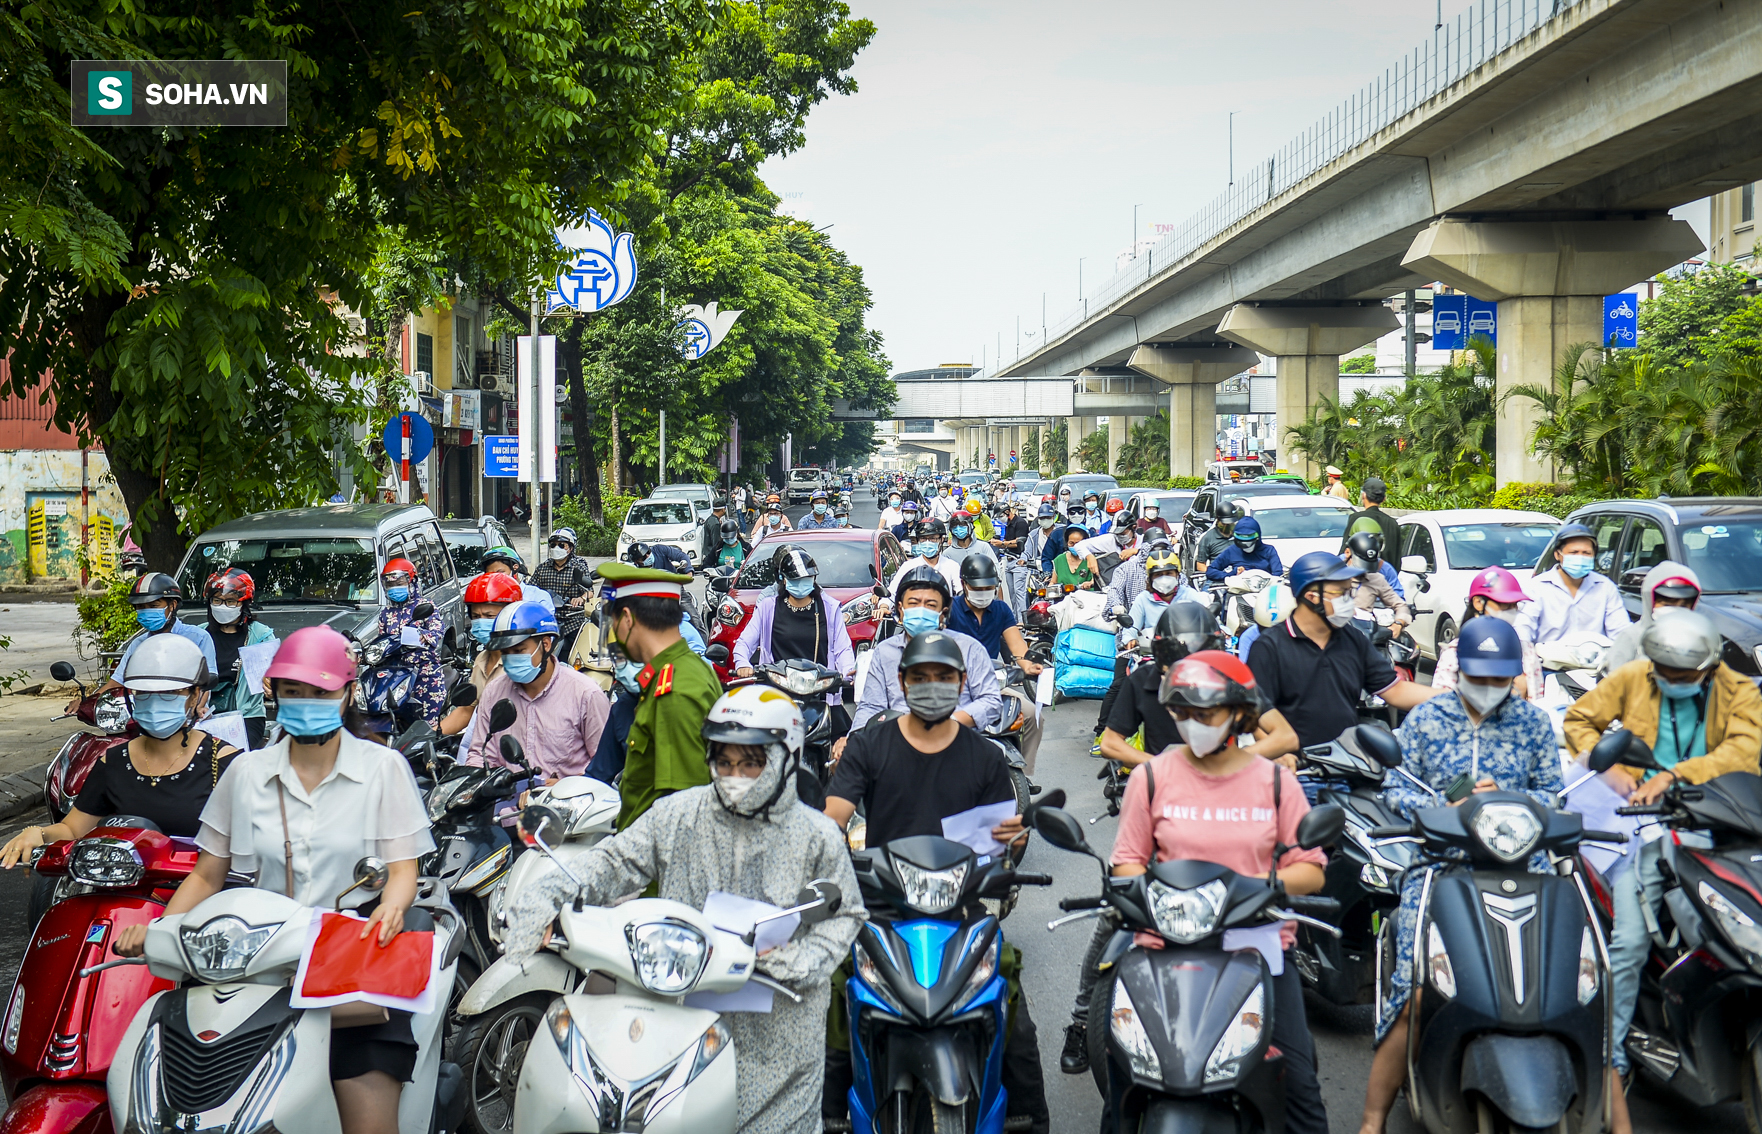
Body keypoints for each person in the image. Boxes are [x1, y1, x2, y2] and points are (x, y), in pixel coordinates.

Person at [113, 626, 435, 1134]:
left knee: (367, 1116)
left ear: (348, 693)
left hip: (350, 952)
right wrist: (160, 930)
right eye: (294, 692)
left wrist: (392, 907)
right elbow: (206, 874)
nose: (307, 702)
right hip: (256, 955)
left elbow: (402, 871)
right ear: (276, 694)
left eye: (321, 693)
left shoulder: (383, 768)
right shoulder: (246, 774)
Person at [507, 684, 863, 1134]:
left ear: (786, 758)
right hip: (677, 1009)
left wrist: (796, 962)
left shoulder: (817, 836)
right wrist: (545, 896)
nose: (735, 774)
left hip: (779, 1023)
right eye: (725, 759)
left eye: (751, 762)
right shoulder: (678, 814)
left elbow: (845, 914)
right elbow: (614, 861)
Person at [1090, 651, 1330, 1134]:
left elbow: (1310, 870)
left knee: (1300, 1091)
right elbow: (1128, 860)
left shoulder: (1277, 782)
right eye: (1184, 713)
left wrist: (1268, 887)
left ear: (1240, 714)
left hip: (1258, 946)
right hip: (1163, 944)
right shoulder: (1152, 777)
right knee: (1124, 1082)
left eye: (1207, 714)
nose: (1194, 724)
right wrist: (1146, 891)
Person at [823, 631, 1050, 1134]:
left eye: (943, 678)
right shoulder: (868, 745)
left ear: (962, 683)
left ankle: (1030, 1118)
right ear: (901, 683)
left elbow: (1000, 841)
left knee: (1007, 994)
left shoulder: (986, 757)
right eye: (920, 678)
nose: (932, 687)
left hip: (962, 908)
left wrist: (1014, 840)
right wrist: (825, 847)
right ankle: (831, 1112)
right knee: (842, 987)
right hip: (883, 905)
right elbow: (833, 815)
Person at [1358, 616, 1564, 1134]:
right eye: (1481, 677)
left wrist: (1506, 801)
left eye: (1501, 678)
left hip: (1527, 869)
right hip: (1441, 870)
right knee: (1415, 992)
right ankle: (1372, 1118)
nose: (1491, 688)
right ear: (1460, 671)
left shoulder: (1533, 723)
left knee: (1575, 980)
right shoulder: (1428, 720)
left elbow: (1553, 795)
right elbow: (1395, 790)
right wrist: (1452, 802)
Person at [1560, 609, 1762, 1134]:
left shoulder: (1739, 690)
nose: (1672, 683)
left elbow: (1747, 749)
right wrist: (1617, 770)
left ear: (1709, 668)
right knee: (1627, 939)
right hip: (1649, 828)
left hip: (1727, 820)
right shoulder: (1631, 678)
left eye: (1684, 676)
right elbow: (1579, 722)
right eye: (1664, 675)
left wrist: (1675, 775)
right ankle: (1613, 1061)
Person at [3, 635, 241, 867]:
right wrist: (37, 834)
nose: (155, 701)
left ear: (195, 696)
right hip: (124, 895)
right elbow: (73, 829)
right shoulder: (113, 761)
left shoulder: (225, 762)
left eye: (170, 693)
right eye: (144, 692)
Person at [1248, 551, 1437, 749]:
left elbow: (1395, 690)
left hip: (1348, 761)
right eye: (1341, 593)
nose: (1350, 600)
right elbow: (1255, 713)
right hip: (1299, 768)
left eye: (1350, 591)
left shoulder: (1353, 639)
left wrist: (1453, 698)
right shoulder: (1269, 647)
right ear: (1312, 597)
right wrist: (1278, 754)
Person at [596, 562, 722, 828]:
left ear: (628, 619)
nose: (613, 634)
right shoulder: (682, 670)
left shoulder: (674, 691)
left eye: (614, 622)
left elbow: (684, 811)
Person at [848, 566, 1004, 744]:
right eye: (913, 603)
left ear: (943, 613)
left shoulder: (969, 648)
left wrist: (949, 723)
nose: (921, 610)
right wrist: (854, 739)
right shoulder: (885, 652)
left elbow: (990, 701)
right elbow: (872, 706)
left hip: (958, 742)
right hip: (899, 745)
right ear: (900, 609)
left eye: (930, 605)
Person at [462, 601, 609, 780]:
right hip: (506, 804)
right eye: (505, 652)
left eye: (518, 650)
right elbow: (480, 755)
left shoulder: (586, 695)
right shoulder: (494, 692)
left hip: (564, 804)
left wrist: (567, 786)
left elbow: (604, 765)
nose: (510, 659)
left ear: (546, 644)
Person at [733, 547, 856, 724]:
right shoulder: (768, 607)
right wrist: (743, 664)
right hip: (777, 694)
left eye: (806, 579)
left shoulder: (829, 608)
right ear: (783, 579)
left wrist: (847, 672)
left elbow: (843, 648)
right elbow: (744, 643)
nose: (801, 583)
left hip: (819, 695)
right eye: (795, 579)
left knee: (845, 743)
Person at [81, 572, 219, 709]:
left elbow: (205, 685)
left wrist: (197, 708)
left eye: (153, 606)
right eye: (141, 607)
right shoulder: (138, 644)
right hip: (145, 714)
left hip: (188, 715)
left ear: (172, 605)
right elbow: (117, 681)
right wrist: (86, 703)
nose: (146, 612)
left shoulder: (198, 638)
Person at [1431, 566, 1545, 703]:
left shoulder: (1526, 651)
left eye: (1514, 605)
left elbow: (1537, 701)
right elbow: (1441, 704)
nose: (1512, 611)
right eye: (1505, 605)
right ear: (1478, 603)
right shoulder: (1455, 652)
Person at [1514, 522, 1629, 655]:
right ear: (1558, 555)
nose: (1580, 557)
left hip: (1595, 664)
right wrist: (1527, 663)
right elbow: (1523, 628)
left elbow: (1621, 631)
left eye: (1586, 553)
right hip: (1550, 664)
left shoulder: (1605, 587)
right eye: (1573, 552)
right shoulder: (1536, 587)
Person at [440, 571, 525, 739]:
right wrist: (430, 736)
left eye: (489, 616)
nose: (480, 622)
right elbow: (467, 710)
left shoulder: (520, 664)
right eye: (476, 616)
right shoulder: (481, 659)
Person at [203, 567, 276, 748]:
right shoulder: (199, 635)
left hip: (246, 716)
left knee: (232, 757)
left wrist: (274, 687)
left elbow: (271, 680)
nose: (223, 606)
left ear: (244, 604)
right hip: (203, 714)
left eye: (231, 601)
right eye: (217, 600)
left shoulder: (260, 636)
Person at [375, 556, 446, 727]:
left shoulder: (425, 605)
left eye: (399, 583)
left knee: (428, 725)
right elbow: (382, 640)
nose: (395, 588)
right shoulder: (386, 613)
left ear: (411, 582)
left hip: (424, 673)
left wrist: (422, 636)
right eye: (390, 585)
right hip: (398, 675)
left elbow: (437, 631)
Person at [1603, 560, 1700, 674]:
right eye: (1666, 604)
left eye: (1683, 605)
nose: (1675, 610)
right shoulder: (1632, 636)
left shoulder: (1699, 640)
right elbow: (1612, 682)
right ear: (1650, 600)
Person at [1342, 531, 1412, 636]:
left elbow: (1400, 605)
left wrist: (1399, 623)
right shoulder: (1332, 576)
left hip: (1365, 634)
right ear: (1347, 553)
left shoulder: (1376, 579)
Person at [887, 518, 963, 601]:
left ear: (941, 540)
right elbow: (892, 592)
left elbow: (961, 591)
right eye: (923, 539)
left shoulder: (952, 566)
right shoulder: (908, 566)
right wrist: (884, 607)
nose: (927, 543)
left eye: (932, 538)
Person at [1205, 515, 1283, 584]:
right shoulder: (1232, 551)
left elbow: (1278, 574)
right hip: (1238, 592)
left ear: (1257, 538)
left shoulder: (1269, 550)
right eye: (1242, 543)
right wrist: (1232, 574)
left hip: (1263, 591)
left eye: (1249, 542)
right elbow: (1211, 571)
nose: (1245, 546)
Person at [1338, 475, 1401, 560]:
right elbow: (1397, 558)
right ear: (1384, 499)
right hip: (1386, 572)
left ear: (1363, 495)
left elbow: (1345, 551)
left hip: (1360, 572)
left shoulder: (1355, 518)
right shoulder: (1392, 523)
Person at [479, 545, 557, 613]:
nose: (495, 578)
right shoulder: (485, 599)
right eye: (490, 575)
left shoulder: (537, 597)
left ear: (515, 568)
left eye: (500, 572)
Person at [1193, 498, 1247, 573]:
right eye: (1224, 524)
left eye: (1230, 523)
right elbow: (1200, 565)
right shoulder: (1208, 538)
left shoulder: (1241, 535)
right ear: (1218, 520)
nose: (1227, 526)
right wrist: (1215, 573)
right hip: (1218, 579)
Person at [1053, 523, 1102, 592]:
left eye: (1078, 544)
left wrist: (1090, 583)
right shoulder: (1059, 560)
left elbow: (1098, 581)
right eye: (1071, 543)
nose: (1075, 547)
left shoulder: (1092, 559)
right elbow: (1053, 582)